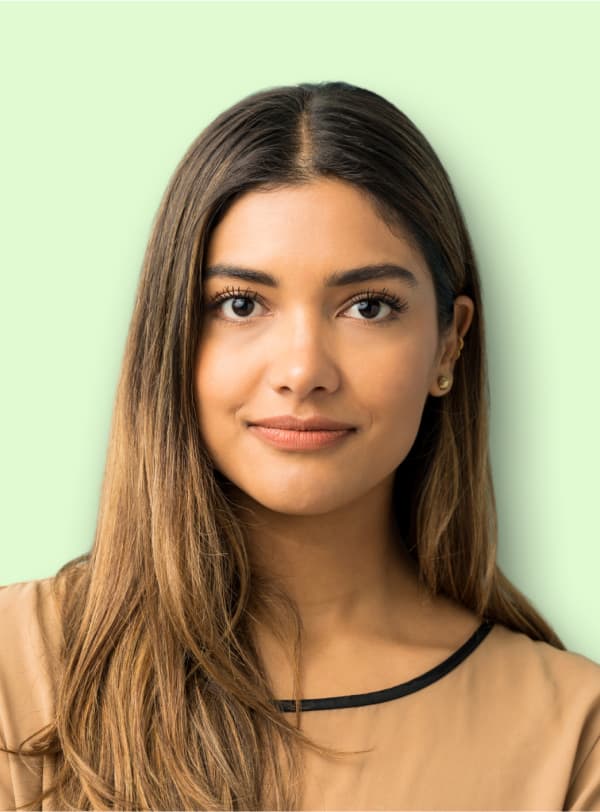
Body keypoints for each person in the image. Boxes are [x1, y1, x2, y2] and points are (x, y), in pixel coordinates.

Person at [1, 80, 599, 812]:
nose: (302, 371)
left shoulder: (573, 732)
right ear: (174, 337)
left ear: (451, 343)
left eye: (369, 306)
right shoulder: (16, 667)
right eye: (241, 304)